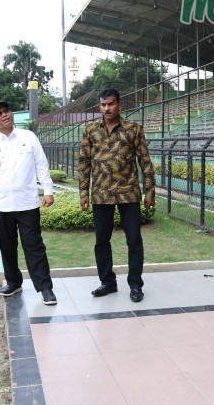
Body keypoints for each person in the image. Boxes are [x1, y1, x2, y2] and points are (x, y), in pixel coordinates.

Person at [78, 88, 156, 303]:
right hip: (101, 195)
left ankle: (135, 285)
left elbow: (145, 162)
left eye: (111, 104)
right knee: (101, 241)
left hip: (128, 193)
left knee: (134, 241)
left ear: (119, 105)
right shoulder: (90, 129)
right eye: (103, 105)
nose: (107, 108)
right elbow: (84, 162)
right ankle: (107, 282)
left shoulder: (133, 129)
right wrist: (83, 192)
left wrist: (150, 191)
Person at [0, 100, 57, 306]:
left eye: (7, 111)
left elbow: (41, 164)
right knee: (7, 246)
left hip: (27, 203)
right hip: (0, 204)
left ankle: (45, 288)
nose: (5, 115)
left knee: (34, 246)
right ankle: (13, 282)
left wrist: (48, 190)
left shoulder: (28, 137)